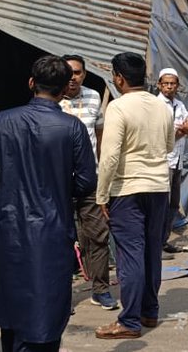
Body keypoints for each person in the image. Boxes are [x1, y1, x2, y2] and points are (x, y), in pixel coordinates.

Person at [0, 56, 97, 352]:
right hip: (53, 231)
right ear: (66, 88)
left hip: (9, 232)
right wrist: (59, 189)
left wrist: (8, 187)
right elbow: (87, 181)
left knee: (12, 317)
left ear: (30, 83)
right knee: (46, 315)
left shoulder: (2, 121)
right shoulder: (72, 127)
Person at [95, 53, 177, 340]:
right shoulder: (162, 107)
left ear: (118, 77)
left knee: (130, 256)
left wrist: (101, 195)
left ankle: (129, 320)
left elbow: (109, 157)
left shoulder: (118, 108)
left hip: (127, 190)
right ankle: (149, 311)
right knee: (152, 251)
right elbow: (168, 146)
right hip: (158, 188)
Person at [58, 55, 117, 311]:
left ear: (84, 74)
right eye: (69, 72)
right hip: (58, 182)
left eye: (78, 72)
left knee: (98, 236)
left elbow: (101, 137)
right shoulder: (51, 100)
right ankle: (61, 295)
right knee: (59, 239)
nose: (73, 77)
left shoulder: (93, 97)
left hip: (90, 180)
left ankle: (101, 289)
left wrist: (104, 175)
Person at [156, 68, 188, 250]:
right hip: (162, 162)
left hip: (177, 161)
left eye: (172, 84)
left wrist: (182, 131)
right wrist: (181, 131)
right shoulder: (156, 106)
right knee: (161, 206)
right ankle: (156, 242)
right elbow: (162, 137)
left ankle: (163, 240)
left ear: (177, 86)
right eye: (165, 83)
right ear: (159, 85)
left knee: (173, 204)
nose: (169, 87)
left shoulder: (179, 105)